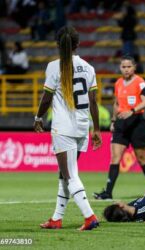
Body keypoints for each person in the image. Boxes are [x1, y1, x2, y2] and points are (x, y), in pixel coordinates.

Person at [34, 26, 102, 231]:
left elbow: (46, 98)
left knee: (70, 174)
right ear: (77, 44)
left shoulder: (54, 67)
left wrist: (38, 117)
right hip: (82, 128)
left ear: (57, 45)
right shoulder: (88, 67)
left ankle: (89, 217)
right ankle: (56, 219)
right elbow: (93, 101)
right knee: (65, 174)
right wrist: (97, 129)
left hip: (63, 129)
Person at [94, 56, 145, 200]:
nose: (126, 69)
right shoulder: (118, 83)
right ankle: (108, 192)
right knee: (115, 157)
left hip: (136, 122)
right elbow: (116, 104)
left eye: (129, 67)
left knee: (141, 158)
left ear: (134, 67)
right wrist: (113, 120)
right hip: (121, 124)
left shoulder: (140, 83)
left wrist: (132, 111)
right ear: (120, 68)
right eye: (123, 67)